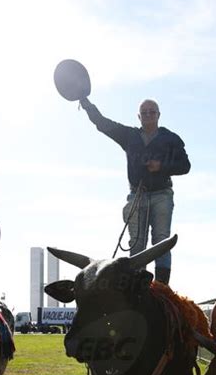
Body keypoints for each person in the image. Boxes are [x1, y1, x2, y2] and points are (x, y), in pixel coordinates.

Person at [79, 97, 190, 285]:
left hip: (162, 194)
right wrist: (85, 101)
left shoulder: (171, 138)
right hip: (136, 195)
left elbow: (185, 166)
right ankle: (137, 284)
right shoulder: (129, 136)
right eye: (144, 112)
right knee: (137, 244)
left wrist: (161, 166)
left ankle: (162, 286)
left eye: (152, 112)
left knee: (161, 241)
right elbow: (103, 124)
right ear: (138, 116)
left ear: (158, 115)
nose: (148, 115)